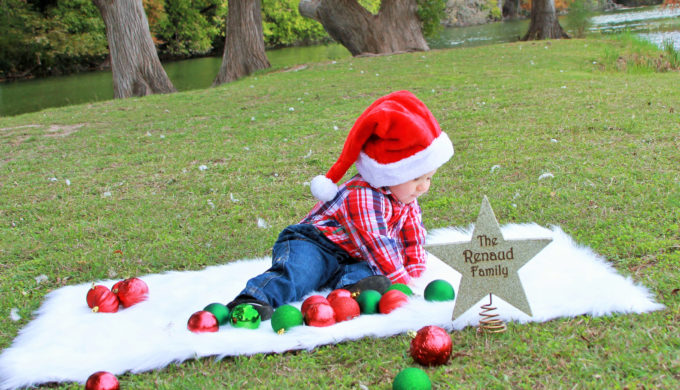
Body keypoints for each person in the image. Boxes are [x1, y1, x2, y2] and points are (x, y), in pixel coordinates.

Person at [227, 90, 454, 320]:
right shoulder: (363, 195)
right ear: (392, 174)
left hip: (353, 254)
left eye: (428, 178)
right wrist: (402, 283)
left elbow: (412, 233)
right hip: (315, 243)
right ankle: (253, 299)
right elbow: (377, 243)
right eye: (417, 178)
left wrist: (415, 271)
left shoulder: (405, 195)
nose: (423, 187)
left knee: (369, 274)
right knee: (302, 273)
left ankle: (348, 293)